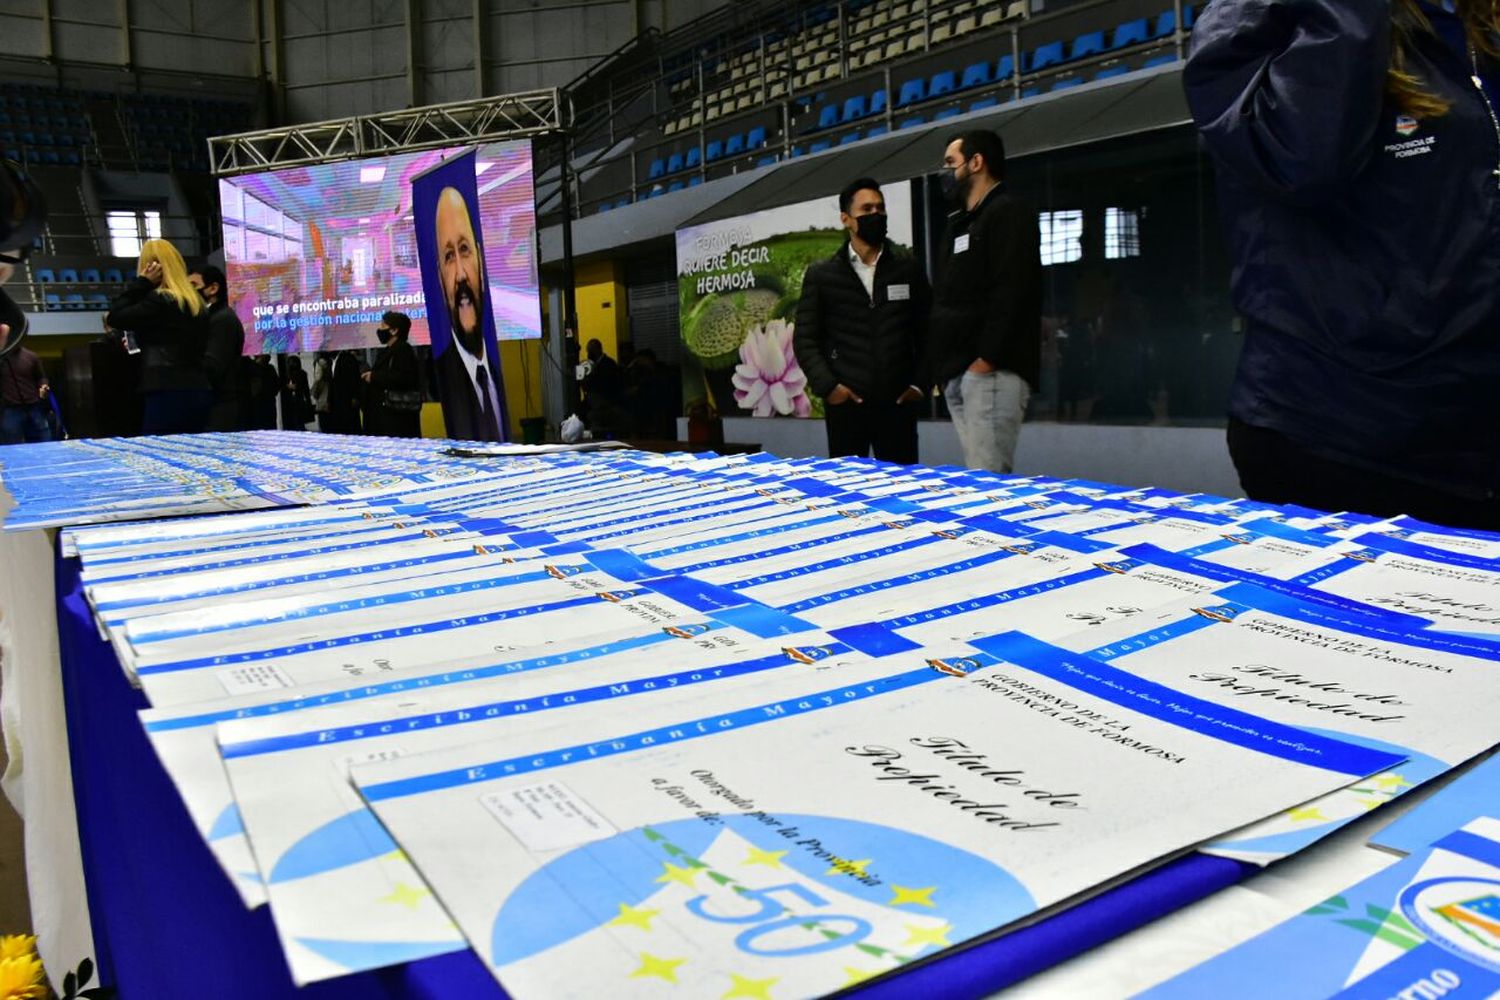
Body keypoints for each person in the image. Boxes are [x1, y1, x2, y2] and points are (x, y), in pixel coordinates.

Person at [1185, 1, 1500, 528]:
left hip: (1477, 432)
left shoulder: (1476, 25)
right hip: (1343, 438)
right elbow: (1300, 160)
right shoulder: (1257, 18)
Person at [794, 176, 931, 464]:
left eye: (880, 209)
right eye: (866, 209)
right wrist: (830, 388)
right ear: (847, 219)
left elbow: (929, 331)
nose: (875, 215)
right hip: (847, 407)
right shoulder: (822, 275)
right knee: (849, 494)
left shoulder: (907, 267)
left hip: (898, 405)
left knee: (901, 492)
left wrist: (919, 385)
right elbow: (806, 339)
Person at [927, 130, 1041, 473]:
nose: (944, 172)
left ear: (976, 162)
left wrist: (986, 359)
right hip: (958, 371)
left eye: (951, 163)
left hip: (992, 372)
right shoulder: (959, 224)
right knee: (975, 475)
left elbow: (1013, 291)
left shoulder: (1008, 213)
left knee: (989, 481)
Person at [104, 239, 212, 435]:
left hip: (166, 390)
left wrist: (142, 283)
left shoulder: (160, 300)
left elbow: (115, 316)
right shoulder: (197, 303)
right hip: (197, 387)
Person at [432, 186, 504, 441]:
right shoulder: (443, 377)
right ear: (440, 281)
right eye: (449, 256)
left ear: (481, 263)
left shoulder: (498, 372)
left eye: (464, 249)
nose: (461, 274)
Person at [187, 264, 246, 431]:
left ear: (213, 288)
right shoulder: (210, 318)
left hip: (220, 408)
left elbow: (213, 366)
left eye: (193, 286)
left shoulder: (222, 320)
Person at [362, 311, 422, 437]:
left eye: (383, 326)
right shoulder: (387, 351)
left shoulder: (403, 350)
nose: (380, 330)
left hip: (397, 417)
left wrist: (374, 377)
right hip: (383, 415)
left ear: (394, 330)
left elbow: (404, 378)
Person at [0, 327, 52, 444]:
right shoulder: (2, 358)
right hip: (11, 408)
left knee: (43, 440)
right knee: (12, 444)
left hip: (34, 406)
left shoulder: (31, 356)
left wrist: (43, 386)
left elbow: (42, 377)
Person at [580, 338, 629, 438]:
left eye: (591, 351)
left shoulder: (608, 365)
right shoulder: (593, 366)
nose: (589, 354)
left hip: (607, 400)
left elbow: (605, 386)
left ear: (598, 349)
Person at [327, 349, 364, 434]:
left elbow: (355, 378)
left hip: (348, 398)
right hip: (336, 400)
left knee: (351, 425)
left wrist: (355, 396)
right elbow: (330, 383)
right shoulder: (331, 362)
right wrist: (329, 400)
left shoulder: (348, 358)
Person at [281, 355, 312, 430]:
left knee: (296, 420)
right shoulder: (301, 373)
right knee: (298, 421)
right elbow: (306, 388)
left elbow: (305, 388)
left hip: (293, 400)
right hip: (296, 399)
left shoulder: (287, 374)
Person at [311, 353, 333, 432]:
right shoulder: (330, 362)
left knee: (324, 423)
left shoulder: (319, 363)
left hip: (323, 400)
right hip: (329, 398)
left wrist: (314, 392)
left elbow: (318, 379)